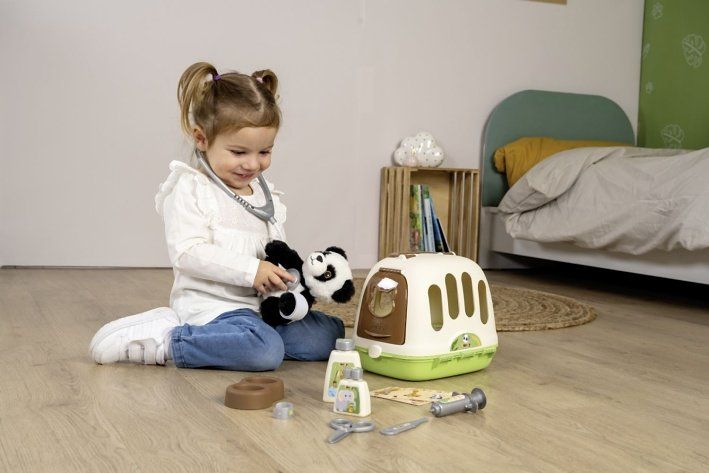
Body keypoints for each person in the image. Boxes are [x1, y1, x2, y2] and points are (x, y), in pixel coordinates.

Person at [89, 62, 345, 370]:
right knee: (264, 351)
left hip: (264, 309)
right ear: (202, 139)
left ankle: (243, 340)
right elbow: (187, 253)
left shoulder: (265, 195)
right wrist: (252, 270)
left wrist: (293, 278)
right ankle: (169, 338)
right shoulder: (191, 188)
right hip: (214, 310)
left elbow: (274, 253)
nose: (253, 165)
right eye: (239, 152)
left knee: (330, 334)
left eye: (264, 152)